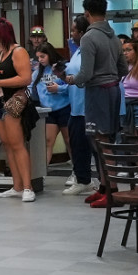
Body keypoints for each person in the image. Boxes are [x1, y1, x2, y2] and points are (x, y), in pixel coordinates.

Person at [0, 20, 37, 202]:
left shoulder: (18, 51)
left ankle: (28, 187)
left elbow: (25, 78)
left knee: (17, 145)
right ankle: (17, 186)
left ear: (1, 34)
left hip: (12, 103)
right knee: (7, 146)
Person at [61, 16, 102, 197]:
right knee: (78, 147)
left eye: (73, 31)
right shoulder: (76, 51)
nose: (71, 34)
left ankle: (103, 182)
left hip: (90, 107)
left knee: (96, 147)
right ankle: (83, 180)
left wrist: (72, 79)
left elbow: (87, 75)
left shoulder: (89, 49)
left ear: (82, 33)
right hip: (75, 107)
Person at [76, 0, 125, 138]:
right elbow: (123, 68)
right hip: (114, 90)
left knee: (98, 138)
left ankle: (107, 162)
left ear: (87, 13)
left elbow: (86, 73)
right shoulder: (115, 38)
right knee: (110, 136)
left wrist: (71, 79)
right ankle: (111, 161)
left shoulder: (88, 37)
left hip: (97, 91)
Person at [34, 45, 71, 166]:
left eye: (43, 56)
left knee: (69, 141)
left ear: (50, 54)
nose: (40, 60)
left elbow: (73, 86)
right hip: (48, 111)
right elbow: (30, 87)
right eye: (38, 57)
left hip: (64, 108)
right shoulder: (37, 72)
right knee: (48, 141)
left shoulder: (62, 68)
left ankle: (77, 173)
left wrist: (58, 88)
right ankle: (41, 174)